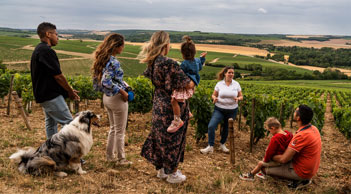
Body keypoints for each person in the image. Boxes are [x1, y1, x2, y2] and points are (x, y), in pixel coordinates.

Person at [139, 31, 191, 184]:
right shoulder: (170, 63)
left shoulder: (153, 61)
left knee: (160, 137)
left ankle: (162, 170)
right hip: (171, 106)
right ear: (165, 44)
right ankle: (173, 173)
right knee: (172, 139)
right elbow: (186, 83)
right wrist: (194, 80)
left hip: (158, 103)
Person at [30, 22, 80, 139]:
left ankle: (52, 152)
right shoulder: (46, 51)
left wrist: (69, 90)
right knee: (70, 125)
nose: (58, 37)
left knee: (51, 124)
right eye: (56, 34)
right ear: (48, 34)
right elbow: (58, 76)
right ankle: (69, 155)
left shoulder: (39, 49)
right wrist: (70, 91)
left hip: (44, 95)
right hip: (51, 95)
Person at [92, 33, 132, 165]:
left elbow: (108, 80)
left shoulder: (104, 59)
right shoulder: (114, 61)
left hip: (106, 98)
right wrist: (122, 91)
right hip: (116, 99)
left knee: (113, 129)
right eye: (122, 45)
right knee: (120, 131)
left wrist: (123, 84)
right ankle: (121, 159)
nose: (123, 48)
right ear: (117, 46)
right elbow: (106, 81)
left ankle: (110, 157)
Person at [263, 105, 322, 189]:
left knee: (264, 169)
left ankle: (301, 180)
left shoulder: (302, 135)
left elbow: (283, 159)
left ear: (298, 118)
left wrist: (270, 155)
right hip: (310, 168)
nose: (293, 112)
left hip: (302, 171)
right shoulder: (313, 128)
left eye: (295, 111)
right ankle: (303, 178)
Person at [167, 35, 207, 133]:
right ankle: (187, 112)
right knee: (183, 99)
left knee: (174, 100)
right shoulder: (197, 61)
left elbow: (180, 73)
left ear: (183, 53)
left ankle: (177, 120)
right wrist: (202, 58)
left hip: (185, 86)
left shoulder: (185, 63)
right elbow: (200, 65)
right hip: (193, 84)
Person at [200, 66, 243, 154]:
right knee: (211, 126)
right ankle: (210, 146)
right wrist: (214, 98)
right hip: (219, 109)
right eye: (229, 72)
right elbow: (213, 95)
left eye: (232, 73)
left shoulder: (236, 84)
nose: (231, 74)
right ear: (225, 73)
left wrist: (238, 98)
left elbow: (241, 96)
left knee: (227, 128)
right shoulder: (219, 84)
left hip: (232, 110)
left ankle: (222, 144)